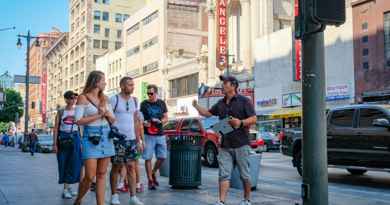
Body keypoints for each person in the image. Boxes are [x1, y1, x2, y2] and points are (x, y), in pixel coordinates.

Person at [192, 75, 257, 205]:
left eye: (225, 83)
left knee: (244, 174)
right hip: (225, 145)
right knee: (223, 174)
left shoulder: (244, 100)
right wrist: (196, 105)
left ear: (233, 86)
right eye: (223, 83)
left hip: (241, 144)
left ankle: (247, 200)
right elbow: (207, 113)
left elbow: (254, 118)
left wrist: (240, 122)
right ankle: (221, 201)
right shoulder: (220, 103)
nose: (222, 85)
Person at [73, 71, 116, 205]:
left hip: (106, 135)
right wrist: (98, 115)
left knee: (102, 174)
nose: (105, 83)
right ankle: (78, 199)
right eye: (103, 80)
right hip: (90, 137)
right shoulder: (83, 98)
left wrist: (108, 114)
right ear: (96, 82)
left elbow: (113, 120)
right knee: (90, 176)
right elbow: (78, 120)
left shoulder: (105, 99)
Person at [109, 77, 144, 205]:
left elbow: (136, 121)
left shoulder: (135, 101)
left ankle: (133, 197)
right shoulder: (114, 99)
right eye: (130, 85)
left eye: (133, 85)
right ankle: (114, 196)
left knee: (131, 167)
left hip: (131, 139)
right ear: (122, 86)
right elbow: (108, 118)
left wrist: (138, 140)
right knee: (116, 167)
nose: (132, 87)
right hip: (118, 140)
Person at [53, 91, 83, 199]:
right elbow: (56, 128)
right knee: (64, 163)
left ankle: (69, 186)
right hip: (63, 138)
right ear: (65, 99)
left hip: (75, 138)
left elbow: (81, 127)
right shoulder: (61, 112)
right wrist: (54, 144)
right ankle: (65, 189)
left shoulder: (78, 111)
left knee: (75, 164)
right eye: (71, 98)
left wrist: (81, 143)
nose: (73, 100)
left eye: (75, 98)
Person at [140, 84, 168, 190]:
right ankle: (150, 181)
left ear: (156, 93)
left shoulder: (161, 103)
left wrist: (160, 121)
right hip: (148, 135)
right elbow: (140, 119)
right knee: (148, 158)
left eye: (151, 93)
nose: (149, 95)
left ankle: (153, 172)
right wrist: (144, 123)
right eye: (148, 94)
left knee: (162, 157)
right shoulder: (144, 104)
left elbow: (166, 117)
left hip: (160, 134)